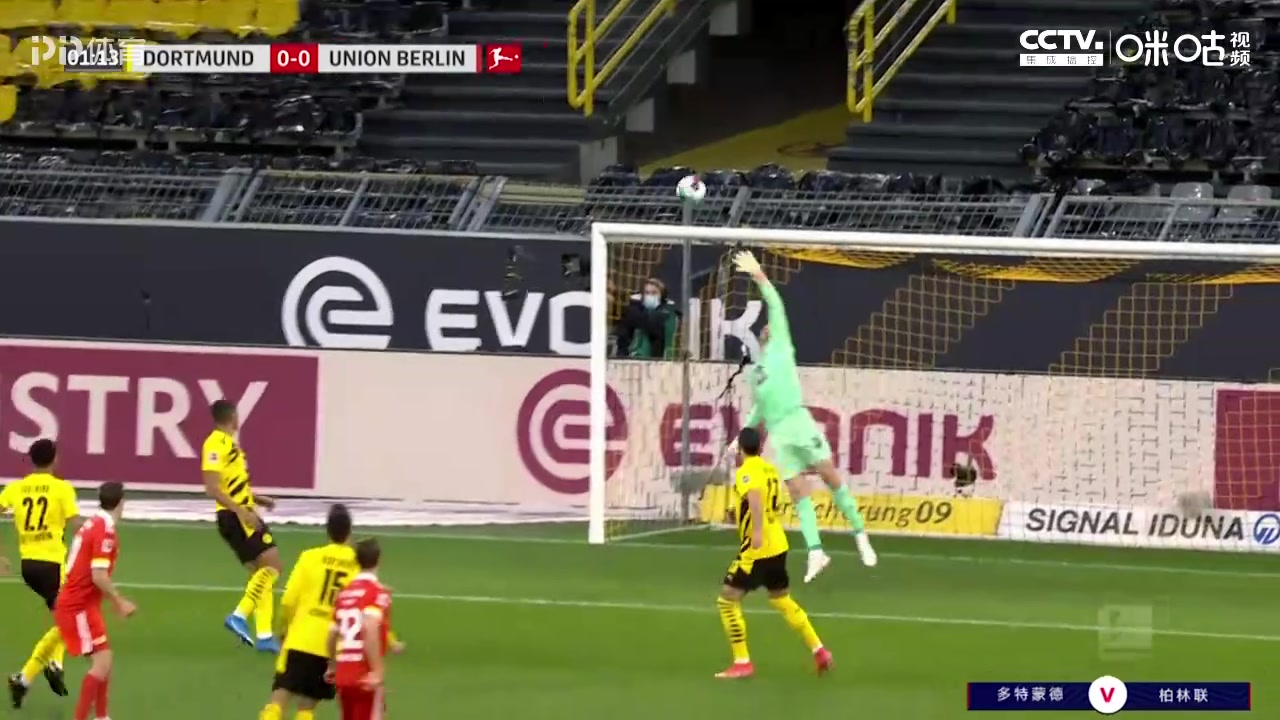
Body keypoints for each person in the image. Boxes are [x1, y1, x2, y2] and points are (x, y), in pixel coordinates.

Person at [729, 250, 877, 582]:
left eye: (770, 326)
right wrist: (739, 438)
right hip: (780, 436)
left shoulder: (783, 346)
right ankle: (816, 551)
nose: (767, 328)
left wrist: (758, 274)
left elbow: (775, 303)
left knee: (829, 476)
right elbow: (758, 411)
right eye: (764, 328)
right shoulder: (757, 372)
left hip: (798, 422)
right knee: (797, 492)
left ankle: (860, 533)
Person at [715, 428, 832, 679]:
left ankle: (742, 662)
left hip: (758, 549)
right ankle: (819, 650)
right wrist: (737, 514)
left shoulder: (747, 471)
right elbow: (763, 501)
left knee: (727, 600)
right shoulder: (769, 469)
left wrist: (756, 531)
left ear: (741, 449)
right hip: (778, 543)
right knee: (781, 599)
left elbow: (755, 498)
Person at [259, 504, 362, 720]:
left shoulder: (310, 557)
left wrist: (283, 627)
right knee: (307, 705)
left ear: (327, 530)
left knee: (279, 697)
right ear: (350, 531)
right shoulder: (358, 566)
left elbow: (289, 600)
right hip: (332, 646)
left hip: (301, 638)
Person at [202, 398, 283, 652]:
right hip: (236, 517)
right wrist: (242, 512)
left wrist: (256, 498)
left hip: (239, 513)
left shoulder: (228, 444)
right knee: (273, 567)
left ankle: (265, 636)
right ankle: (239, 616)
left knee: (260, 574)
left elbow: (231, 485)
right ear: (233, 417)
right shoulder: (215, 444)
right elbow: (212, 488)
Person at [3, 439, 79, 707]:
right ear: (54, 458)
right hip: (52, 563)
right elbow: (75, 523)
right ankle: (27, 676)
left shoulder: (16, 488)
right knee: (72, 617)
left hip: (29, 566)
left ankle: (53, 665)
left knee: (62, 615)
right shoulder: (62, 488)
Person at [52, 481, 136, 720]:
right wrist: (120, 602)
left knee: (104, 659)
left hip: (83, 603)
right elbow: (98, 575)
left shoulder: (93, 523)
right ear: (121, 503)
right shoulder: (105, 531)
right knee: (102, 662)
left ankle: (101, 716)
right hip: (77, 606)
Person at [328, 539, 393, 720]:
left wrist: (332, 665)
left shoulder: (344, 594)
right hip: (364, 676)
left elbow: (332, 633)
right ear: (379, 560)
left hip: (344, 675)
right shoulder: (377, 593)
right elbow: (369, 626)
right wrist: (377, 671)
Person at [615, 277, 680, 358]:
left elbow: (657, 328)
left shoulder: (668, 312)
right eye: (647, 293)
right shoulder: (633, 311)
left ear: (661, 295)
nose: (650, 296)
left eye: (654, 293)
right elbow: (623, 336)